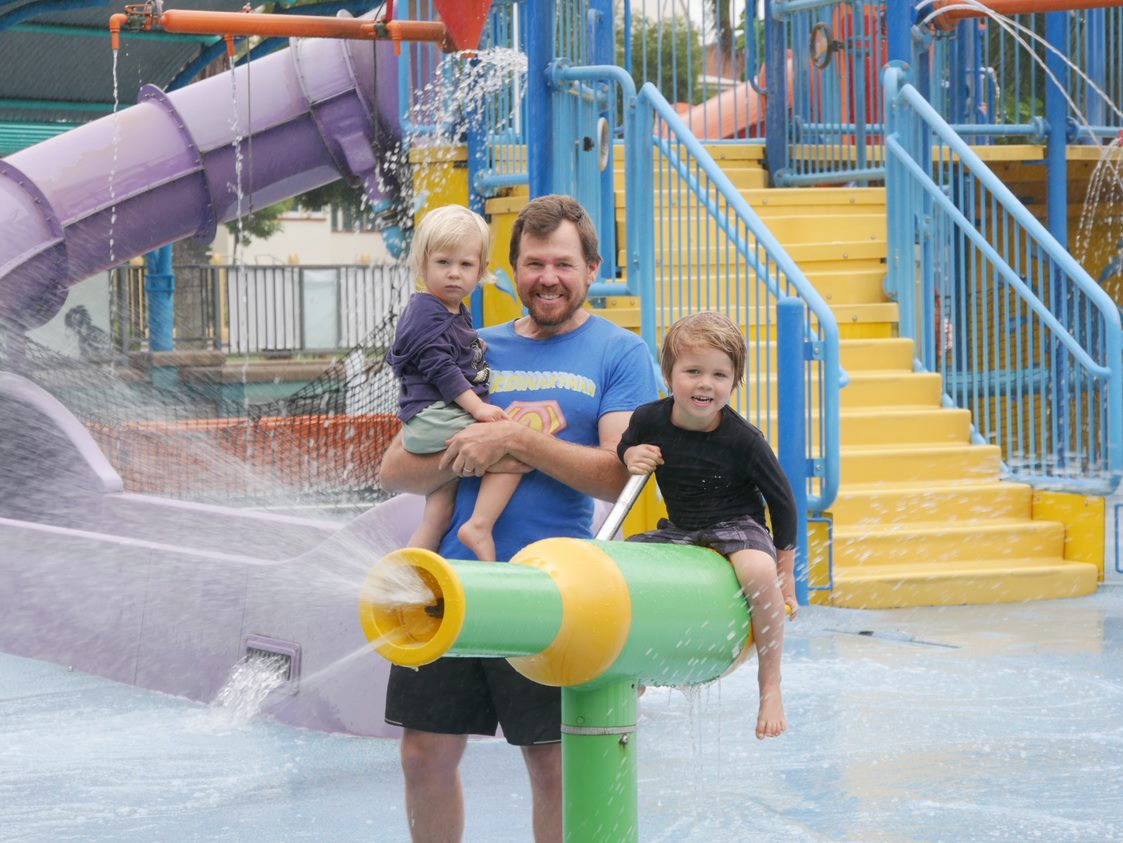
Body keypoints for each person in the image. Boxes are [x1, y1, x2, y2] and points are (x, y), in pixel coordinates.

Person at [378, 194, 659, 843]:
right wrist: (466, 454)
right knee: (423, 754)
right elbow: (395, 469)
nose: (548, 277)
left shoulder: (618, 353)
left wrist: (519, 443)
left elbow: (622, 475)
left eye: (562, 263)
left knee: (554, 761)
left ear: (591, 268)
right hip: (449, 583)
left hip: (551, 588)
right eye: (533, 263)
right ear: (506, 271)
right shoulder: (471, 344)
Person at [617, 310, 799, 741]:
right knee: (624, 565)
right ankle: (635, 667)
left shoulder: (744, 440)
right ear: (668, 374)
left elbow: (783, 502)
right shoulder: (649, 419)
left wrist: (785, 573)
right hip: (682, 528)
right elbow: (627, 444)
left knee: (756, 571)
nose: (705, 384)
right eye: (693, 371)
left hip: (737, 525)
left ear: (734, 382)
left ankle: (770, 684)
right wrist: (630, 456)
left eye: (719, 374)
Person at [386, 204, 516, 561]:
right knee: (514, 450)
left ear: (482, 270)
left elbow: (453, 347)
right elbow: (441, 368)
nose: (454, 274)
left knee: (439, 511)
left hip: (429, 414)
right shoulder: (427, 310)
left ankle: (406, 577)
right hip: (435, 414)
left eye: (465, 265)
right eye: (443, 263)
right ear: (422, 264)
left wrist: (474, 346)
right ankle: (480, 526)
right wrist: (479, 409)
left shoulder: (453, 308)